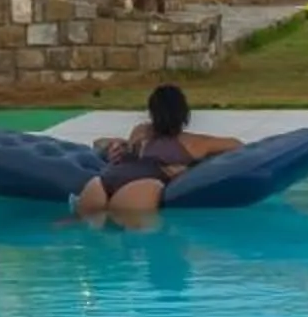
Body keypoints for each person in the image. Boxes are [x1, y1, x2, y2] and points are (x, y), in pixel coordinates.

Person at [74, 83, 242, 222]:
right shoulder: (194, 143)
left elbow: (120, 151)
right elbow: (238, 145)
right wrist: (192, 167)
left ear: (152, 113)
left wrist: (116, 146)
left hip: (100, 184)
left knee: (87, 230)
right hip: (138, 189)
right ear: (184, 113)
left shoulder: (139, 131)